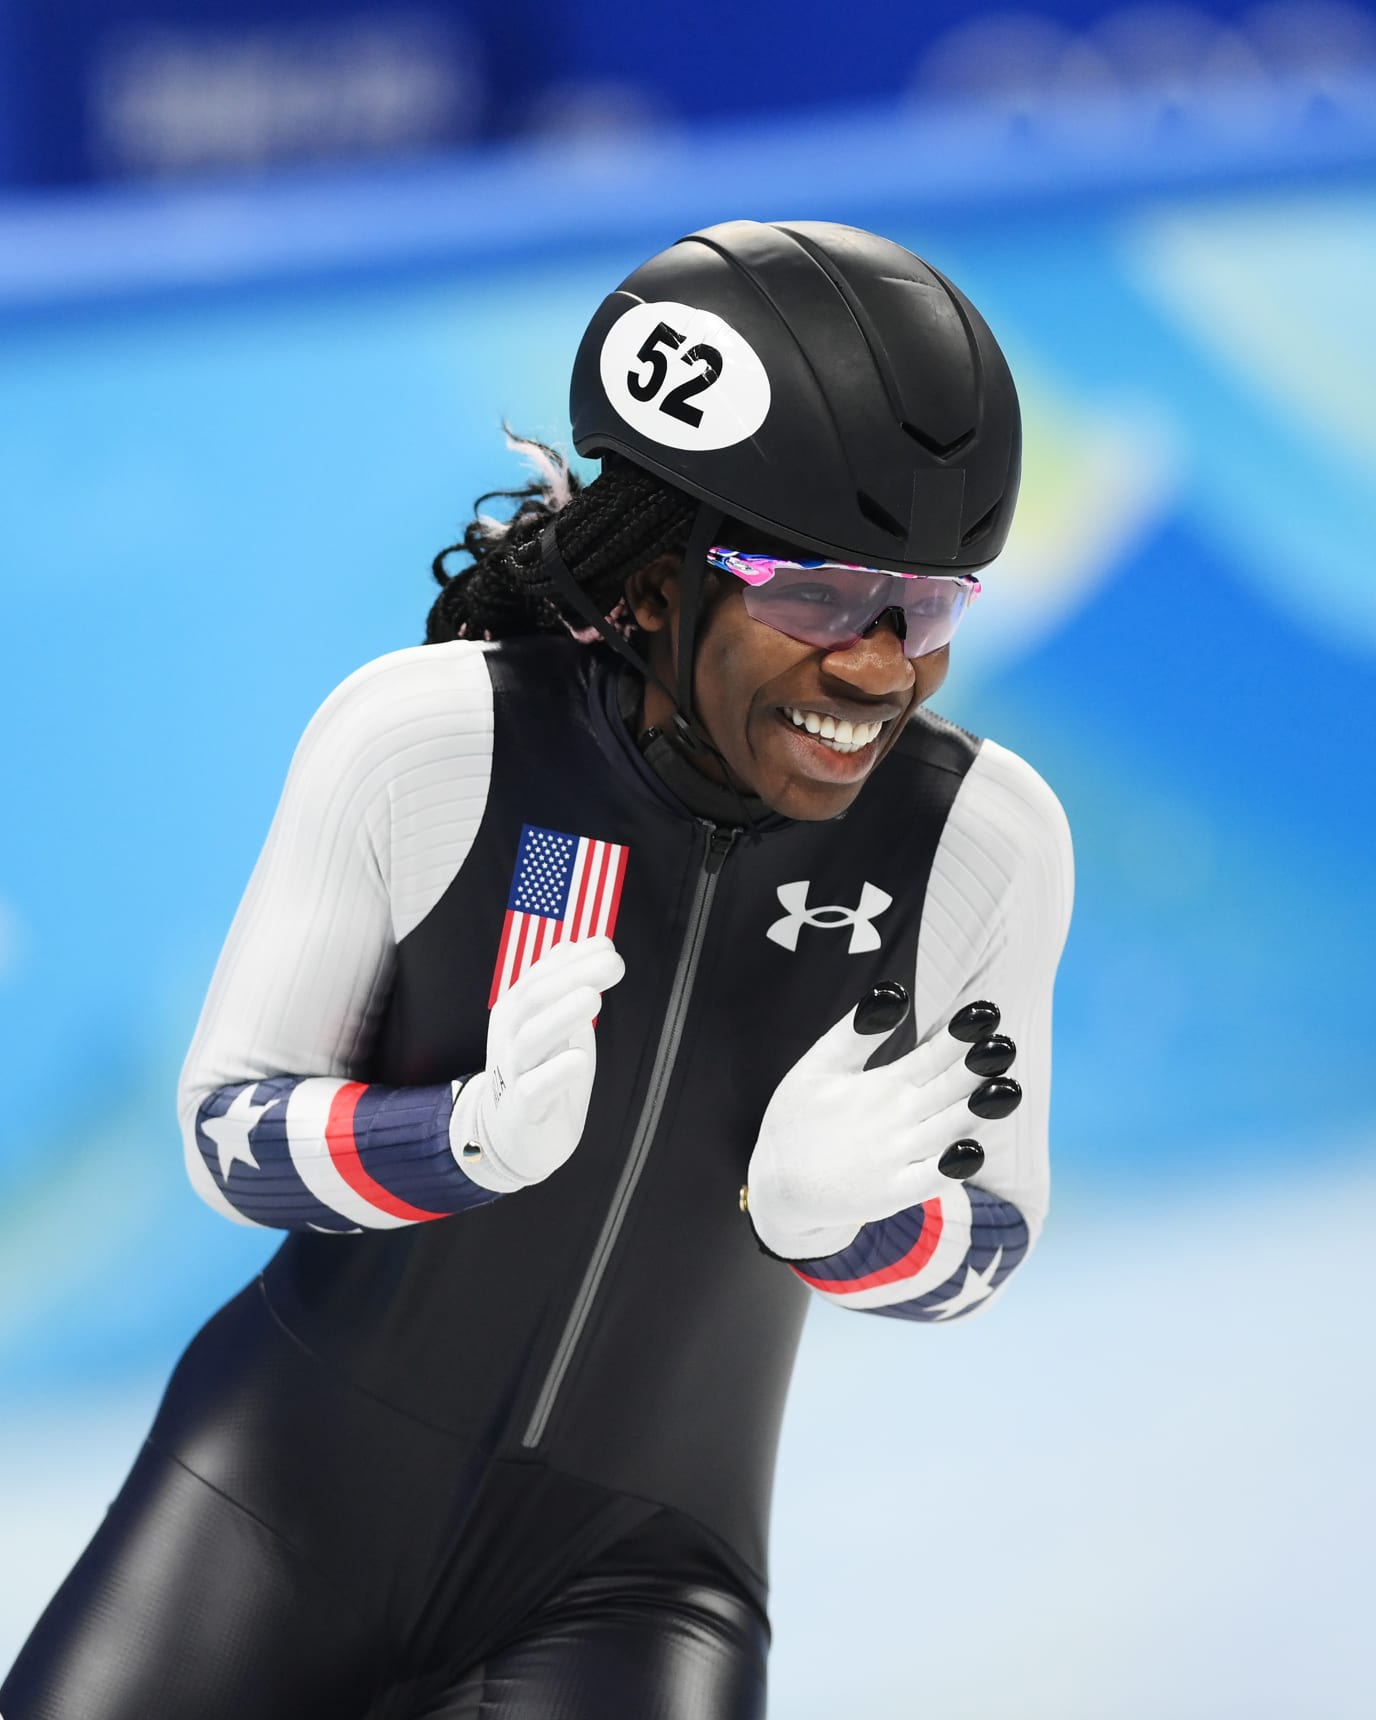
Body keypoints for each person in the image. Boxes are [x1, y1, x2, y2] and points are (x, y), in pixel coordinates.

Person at [1, 219, 1073, 1720]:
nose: (884, 664)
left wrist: (851, 1229)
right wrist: (457, 1141)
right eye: (818, 595)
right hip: (272, 1512)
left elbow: (998, 1228)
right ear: (648, 578)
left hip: (639, 1582)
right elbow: (226, 1129)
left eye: (933, 603)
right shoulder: (430, 741)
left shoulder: (981, 838)